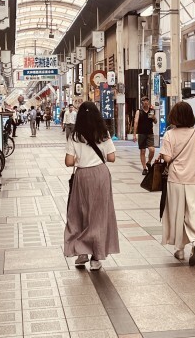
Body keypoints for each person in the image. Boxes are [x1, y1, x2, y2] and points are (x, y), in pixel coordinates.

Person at [64, 101, 119, 270]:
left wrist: (80, 158)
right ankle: (96, 258)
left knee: (80, 213)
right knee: (100, 215)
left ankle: (82, 252)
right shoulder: (104, 133)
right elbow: (112, 158)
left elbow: (69, 162)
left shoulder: (74, 136)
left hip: (82, 176)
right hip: (101, 175)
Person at [160, 102, 195, 266]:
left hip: (176, 179)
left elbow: (167, 157)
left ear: (174, 116)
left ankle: (179, 250)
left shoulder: (169, 135)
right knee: (194, 211)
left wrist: (166, 157)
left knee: (178, 213)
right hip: (193, 179)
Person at [133, 97, 157, 175]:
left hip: (150, 133)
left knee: (152, 150)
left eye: (147, 100)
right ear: (142, 102)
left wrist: (154, 117)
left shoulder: (151, 111)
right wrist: (134, 134)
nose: (146, 102)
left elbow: (155, 122)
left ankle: (149, 162)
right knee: (142, 151)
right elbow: (136, 123)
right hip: (141, 133)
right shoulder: (139, 112)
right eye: (144, 101)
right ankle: (144, 168)